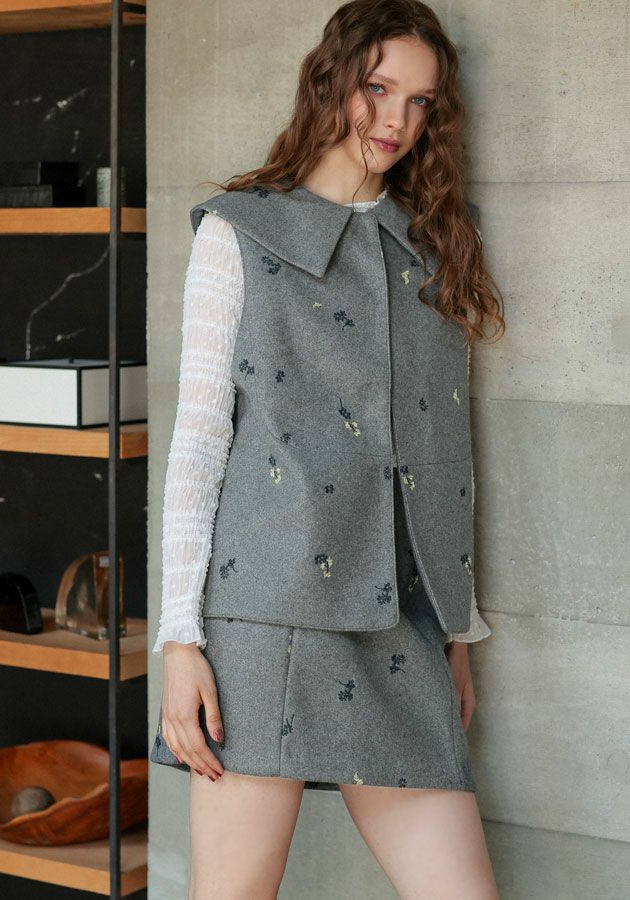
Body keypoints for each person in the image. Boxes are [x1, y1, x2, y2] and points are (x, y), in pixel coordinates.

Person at [151, 1, 505, 897]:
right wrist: (180, 643)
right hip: (262, 618)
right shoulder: (239, 231)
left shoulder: (434, 246)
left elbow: (444, 448)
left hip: (401, 622)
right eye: (377, 89)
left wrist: (455, 629)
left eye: (420, 102)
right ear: (331, 80)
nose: (395, 120)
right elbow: (199, 440)